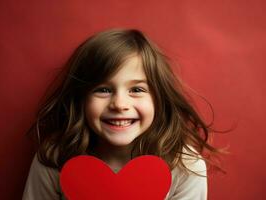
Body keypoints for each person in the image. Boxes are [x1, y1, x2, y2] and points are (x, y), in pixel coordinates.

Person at [22, 29, 225, 200]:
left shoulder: (185, 165)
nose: (119, 104)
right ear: (81, 99)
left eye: (136, 90)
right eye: (103, 89)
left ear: (159, 100)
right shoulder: (54, 157)